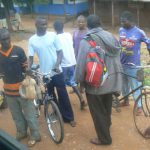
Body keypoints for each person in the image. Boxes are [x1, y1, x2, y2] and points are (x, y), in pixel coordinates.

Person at [75, 14, 122, 145]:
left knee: (97, 112)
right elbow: (118, 56)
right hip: (111, 80)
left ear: (88, 26)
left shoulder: (87, 40)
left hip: (95, 83)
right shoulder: (111, 36)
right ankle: (106, 125)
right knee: (106, 106)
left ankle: (104, 139)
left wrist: (80, 81)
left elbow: (80, 64)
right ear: (100, 24)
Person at [28, 16, 76, 127]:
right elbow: (30, 57)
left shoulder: (52, 36)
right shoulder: (32, 40)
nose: (45, 26)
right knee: (50, 95)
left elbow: (60, 52)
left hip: (56, 72)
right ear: (36, 25)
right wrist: (29, 68)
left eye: (46, 24)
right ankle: (57, 112)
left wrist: (57, 65)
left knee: (63, 94)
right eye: (42, 24)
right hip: (44, 73)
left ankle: (69, 117)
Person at [0, 28, 41, 147]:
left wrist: (28, 71)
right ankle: (22, 132)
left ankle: (35, 135)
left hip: (23, 90)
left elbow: (25, 66)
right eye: (3, 39)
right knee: (16, 115)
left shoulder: (18, 50)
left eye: (8, 38)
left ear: (10, 38)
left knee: (29, 114)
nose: (6, 41)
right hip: (8, 92)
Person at [119, 11, 150, 113]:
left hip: (134, 65)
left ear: (131, 21)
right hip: (122, 63)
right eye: (121, 21)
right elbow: (120, 45)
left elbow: (148, 43)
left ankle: (140, 107)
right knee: (124, 85)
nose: (122, 23)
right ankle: (126, 100)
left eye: (124, 21)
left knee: (135, 86)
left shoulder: (139, 32)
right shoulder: (121, 30)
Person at [53, 20, 87, 110]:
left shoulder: (55, 38)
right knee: (73, 82)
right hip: (72, 62)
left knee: (61, 86)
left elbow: (56, 52)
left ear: (55, 28)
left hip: (63, 65)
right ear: (63, 27)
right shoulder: (68, 35)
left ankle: (64, 106)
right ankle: (81, 98)